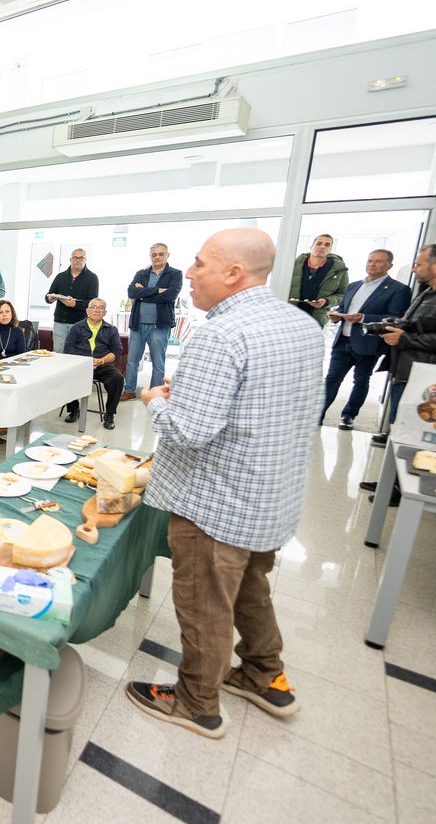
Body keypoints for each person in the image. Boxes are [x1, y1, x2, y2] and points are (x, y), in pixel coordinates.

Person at [126, 228, 322, 740]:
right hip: (270, 498)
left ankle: (197, 702)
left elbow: (189, 431)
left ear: (234, 273)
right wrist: (188, 392)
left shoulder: (221, 334)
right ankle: (264, 674)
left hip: (215, 502)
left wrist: (157, 401)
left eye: (199, 263)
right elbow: (267, 404)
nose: (188, 273)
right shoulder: (300, 325)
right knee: (250, 589)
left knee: (205, 602)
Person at [360, 243, 436, 499]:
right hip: (407, 371)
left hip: (431, 381)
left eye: (419, 264)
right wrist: (394, 326)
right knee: (399, 432)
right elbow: (419, 325)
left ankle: (401, 489)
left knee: (414, 438)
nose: (415, 269)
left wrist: (405, 339)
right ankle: (390, 483)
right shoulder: (428, 293)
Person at [320, 250, 411, 430]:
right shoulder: (353, 285)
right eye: (370, 260)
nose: (372, 264)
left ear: (389, 266)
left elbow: (394, 318)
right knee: (331, 379)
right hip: (343, 341)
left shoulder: (398, 289)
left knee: (360, 381)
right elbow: (345, 307)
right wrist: (337, 315)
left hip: (368, 343)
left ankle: (348, 416)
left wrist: (363, 318)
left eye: (378, 261)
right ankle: (317, 414)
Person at [121, 243, 183, 400]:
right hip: (137, 324)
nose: (157, 257)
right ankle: (129, 390)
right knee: (132, 361)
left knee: (158, 363)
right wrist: (157, 290)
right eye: (154, 254)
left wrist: (143, 292)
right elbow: (132, 292)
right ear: (150, 256)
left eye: (161, 254)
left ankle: (155, 395)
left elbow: (170, 296)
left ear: (167, 255)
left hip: (159, 326)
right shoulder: (141, 273)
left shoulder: (175, 274)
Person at [62, 299, 124, 430]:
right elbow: (68, 349)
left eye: (101, 308)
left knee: (117, 378)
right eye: (93, 307)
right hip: (80, 364)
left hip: (102, 364)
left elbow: (116, 352)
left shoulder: (111, 330)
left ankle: (110, 414)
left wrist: (101, 360)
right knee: (65, 375)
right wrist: (85, 361)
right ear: (87, 310)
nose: (97, 310)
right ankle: (74, 410)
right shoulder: (76, 328)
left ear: (105, 312)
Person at [288, 234, 349, 326]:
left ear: (331, 249)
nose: (322, 247)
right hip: (289, 316)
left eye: (327, 245)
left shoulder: (340, 270)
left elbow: (343, 295)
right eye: (319, 243)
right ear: (311, 246)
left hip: (316, 321)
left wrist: (326, 301)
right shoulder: (293, 264)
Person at [46, 249, 98, 354]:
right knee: (59, 354)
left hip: (80, 324)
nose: (77, 260)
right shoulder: (60, 276)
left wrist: (75, 304)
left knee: (78, 355)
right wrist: (50, 298)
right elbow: (48, 296)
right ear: (70, 259)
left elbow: (92, 303)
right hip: (60, 323)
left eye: (81, 258)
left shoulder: (92, 278)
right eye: (75, 258)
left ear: (85, 260)